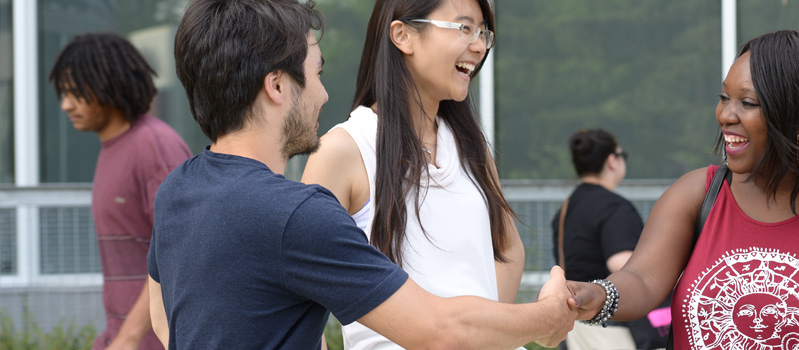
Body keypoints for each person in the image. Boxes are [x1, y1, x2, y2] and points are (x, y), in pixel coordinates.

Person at [146, 1, 575, 349]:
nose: (324, 94)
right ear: (277, 86)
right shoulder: (298, 213)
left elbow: (164, 318)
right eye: (316, 73)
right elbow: (439, 331)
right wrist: (548, 317)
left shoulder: (177, 190)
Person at [569, 30, 799, 349]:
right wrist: (598, 294)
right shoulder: (697, 193)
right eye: (724, 97)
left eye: (747, 103)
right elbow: (642, 279)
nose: (725, 115)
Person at [300, 0, 522, 348]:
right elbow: (300, 289)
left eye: (483, 32)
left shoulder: (472, 147)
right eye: (464, 28)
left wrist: (482, 335)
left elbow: (508, 250)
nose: (478, 45)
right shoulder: (343, 150)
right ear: (403, 35)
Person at [48, 32, 191, 350]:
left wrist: (128, 338)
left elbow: (180, 251)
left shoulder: (153, 145)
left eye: (76, 92)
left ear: (108, 84)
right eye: (63, 93)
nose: (66, 104)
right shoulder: (113, 148)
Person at [549, 129, 664, 350]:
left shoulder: (567, 207)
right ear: (612, 161)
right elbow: (623, 265)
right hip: (612, 326)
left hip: (576, 325)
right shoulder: (615, 208)